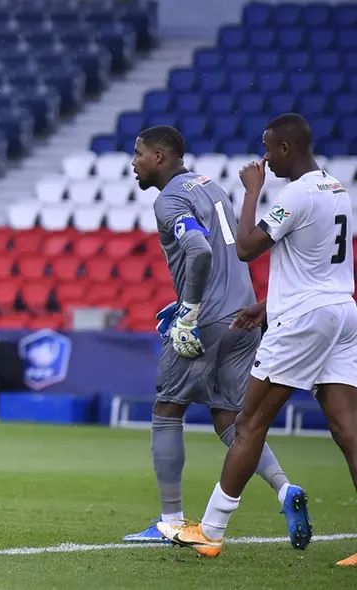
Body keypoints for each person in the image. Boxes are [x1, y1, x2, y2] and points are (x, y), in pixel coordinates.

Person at [157, 114, 357, 567]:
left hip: (305, 322)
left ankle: (209, 531)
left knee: (248, 424)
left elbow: (245, 246)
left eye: (268, 148)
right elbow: (318, 267)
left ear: (286, 148)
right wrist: (268, 305)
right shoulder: (337, 189)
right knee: (349, 431)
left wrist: (251, 190)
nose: (264, 157)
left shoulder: (296, 193)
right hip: (342, 313)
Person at [124, 125, 305, 547]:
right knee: (232, 420)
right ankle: (285, 489)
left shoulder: (170, 198)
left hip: (205, 320)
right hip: (244, 318)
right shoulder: (210, 187)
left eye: (138, 153)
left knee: (167, 409)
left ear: (160, 158)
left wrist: (188, 309)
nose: (133, 162)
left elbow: (200, 250)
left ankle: (170, 521)